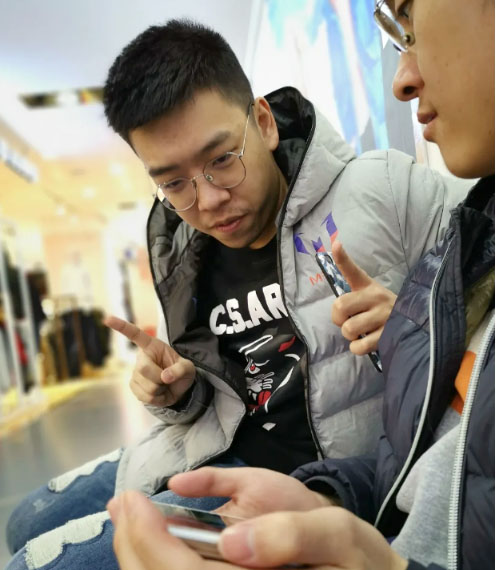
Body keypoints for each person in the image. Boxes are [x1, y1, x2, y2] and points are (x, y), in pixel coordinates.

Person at [5, 17, 470, 570]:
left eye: (223, 159)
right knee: (23, 518)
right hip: (207, 445)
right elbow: (218, 389)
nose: (207, 201)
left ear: (264, 123)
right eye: (173, 182)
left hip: (306, 484)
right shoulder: (182, 250)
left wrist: (416, 322)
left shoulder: (384, 190)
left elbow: (482, 289)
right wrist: (177, 393)